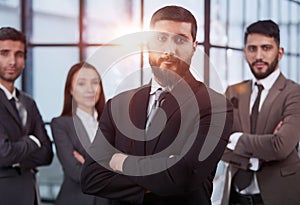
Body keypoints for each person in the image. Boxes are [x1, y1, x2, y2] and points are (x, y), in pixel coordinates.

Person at [80, 6, 233, 205]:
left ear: (194, 46)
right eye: (161, 39)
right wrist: (164, 170)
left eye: (180, 39)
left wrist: (121, 161)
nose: (170, 50)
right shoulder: (118, 105)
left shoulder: (216, 107)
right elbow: (92, 178)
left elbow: (183, 175)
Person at [221, 20, 300, 205]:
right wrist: (257, 157)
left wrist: (236, 139)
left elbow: (280, 146)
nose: (259, 56)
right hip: (235, 196)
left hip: (280, 196)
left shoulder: (294, 93)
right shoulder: (233, 92)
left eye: (266, 48)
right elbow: (218, 146)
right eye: (252, 48)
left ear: (279, 53)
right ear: (244, 52)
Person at [51, 62, 120, 205]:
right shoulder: (61, 125)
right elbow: (76, 173)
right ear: (70, 89)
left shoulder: (113, 124)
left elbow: (125, 169)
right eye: (81, 84)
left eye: (95, 83)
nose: (90, 89)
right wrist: (109, 167)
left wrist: (88, 164)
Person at [0, 27, 53, 205]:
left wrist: (15, 158)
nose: (12, 61)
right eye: (4, 53)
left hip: (30, 196)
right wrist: (32, 142)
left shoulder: (28, 102)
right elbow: (4, 154)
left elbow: (46, 154)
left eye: (19, 54)